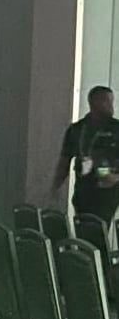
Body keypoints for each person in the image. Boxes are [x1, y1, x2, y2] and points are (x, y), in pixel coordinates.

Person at [53, 85, 119, 222]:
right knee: (83, 228)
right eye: (106, 102)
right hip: (83, 190)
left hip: (107, 191)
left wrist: (115, 177)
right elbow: (64, 160)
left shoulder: (116, 128)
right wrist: (55, 187)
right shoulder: (77, 129)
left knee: (98, 229)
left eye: (112, 102)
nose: (111, 106)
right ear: (94, 102)